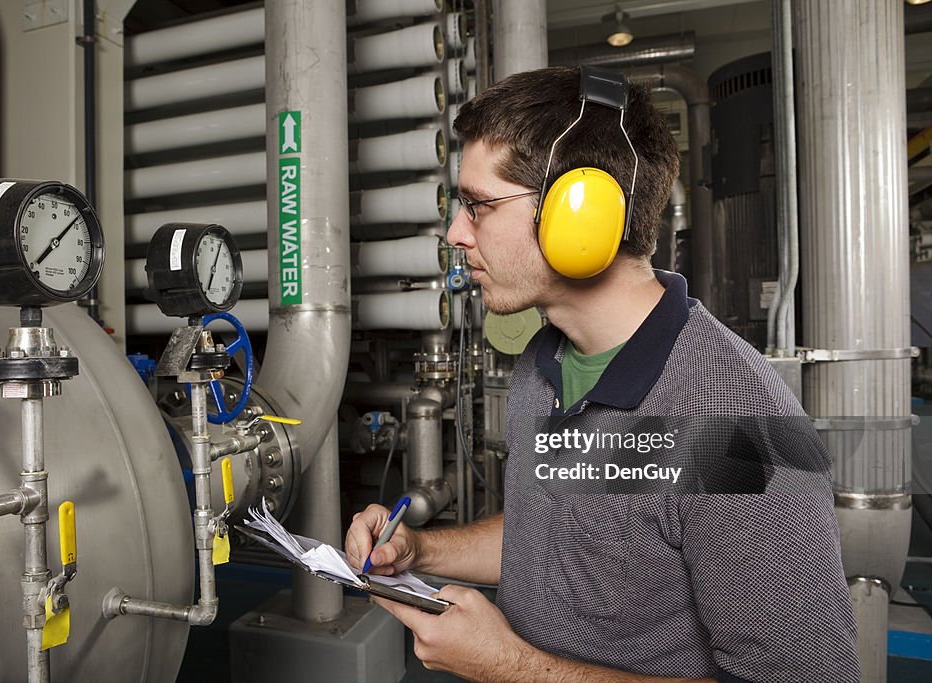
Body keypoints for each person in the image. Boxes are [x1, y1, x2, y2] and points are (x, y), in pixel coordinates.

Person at [345, 66, 860, 683]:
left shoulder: (728, 415)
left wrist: (511, 666)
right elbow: (560, 529)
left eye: (478, 206)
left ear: (579, 216)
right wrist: (421, 549)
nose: (456, 233)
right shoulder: (543, 361)